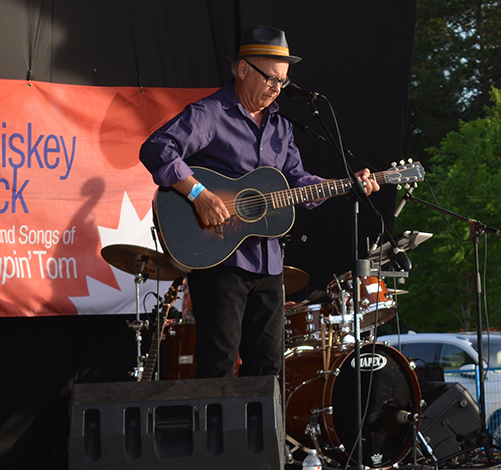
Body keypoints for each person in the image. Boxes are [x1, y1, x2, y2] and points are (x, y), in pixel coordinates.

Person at [139, 25, 380, 379]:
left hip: (268, 263)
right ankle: (217, 436)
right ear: (243, 69)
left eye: (282, 81)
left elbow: (298, 182)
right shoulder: (210, 114)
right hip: (220, 258)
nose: (277, 88)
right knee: (218, 365)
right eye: (271, 79)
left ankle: (263, 436)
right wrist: (198, 194)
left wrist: (344, 186)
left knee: (269, 369)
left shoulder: (280, 127)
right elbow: (157, 149)